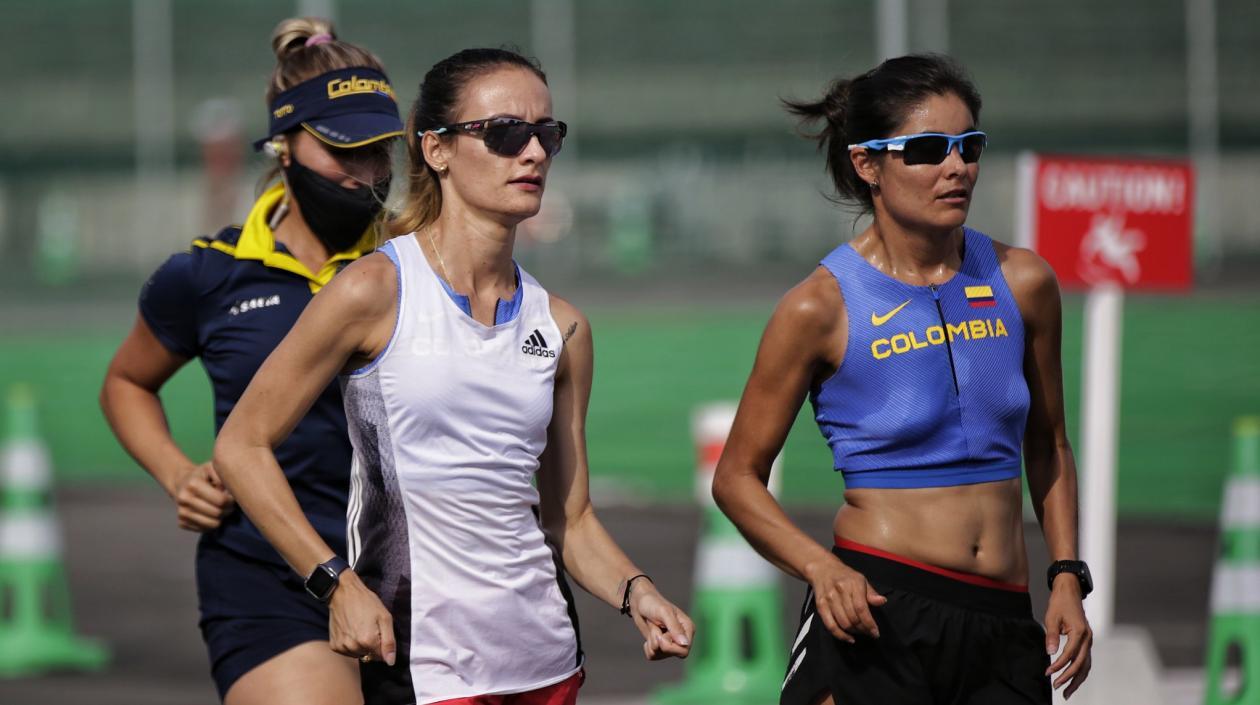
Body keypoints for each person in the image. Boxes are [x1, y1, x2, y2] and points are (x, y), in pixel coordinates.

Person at [211, 47, 695, 705]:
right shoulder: (374, 290)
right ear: (435, 149)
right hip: (422, 663)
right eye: (503, 134)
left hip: (545, 660)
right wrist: (336, 583)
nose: (532, 153)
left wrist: (637, 591)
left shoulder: (564, 327)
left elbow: (570, 519)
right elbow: (242, 446)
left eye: (545, 133)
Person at [709, 54, 1093, 705]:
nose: (957, 168)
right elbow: (736, 477)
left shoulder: (1023, 281)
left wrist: (1066, 575)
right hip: (876, 610)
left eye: (969, 146)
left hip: (1003, 618)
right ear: (868, 164)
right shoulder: (818, 306)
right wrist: (821, 568)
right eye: (926, 150)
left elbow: (1049, 442)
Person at [99, 18, 402, 705]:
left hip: (419, 573)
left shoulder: (416, 263)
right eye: (342, 150)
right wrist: (178, 473)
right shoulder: (208, 275)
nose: (366, 174)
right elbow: (126, 382)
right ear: (284, 146)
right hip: (268, 579)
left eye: (380, 152)